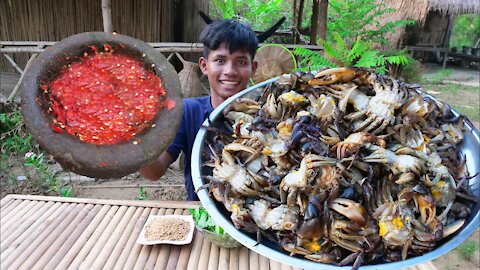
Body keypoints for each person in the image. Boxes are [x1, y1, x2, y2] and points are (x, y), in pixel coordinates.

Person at [139, 19, 261, 200]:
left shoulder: (266, 116)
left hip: (254, 220)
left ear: (253, 68)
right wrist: (131, 143)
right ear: (204, 66)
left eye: (241, 62)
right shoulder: (188, 111)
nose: (230, 71)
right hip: (201, 213)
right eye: (220, 60)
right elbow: (155, 171)